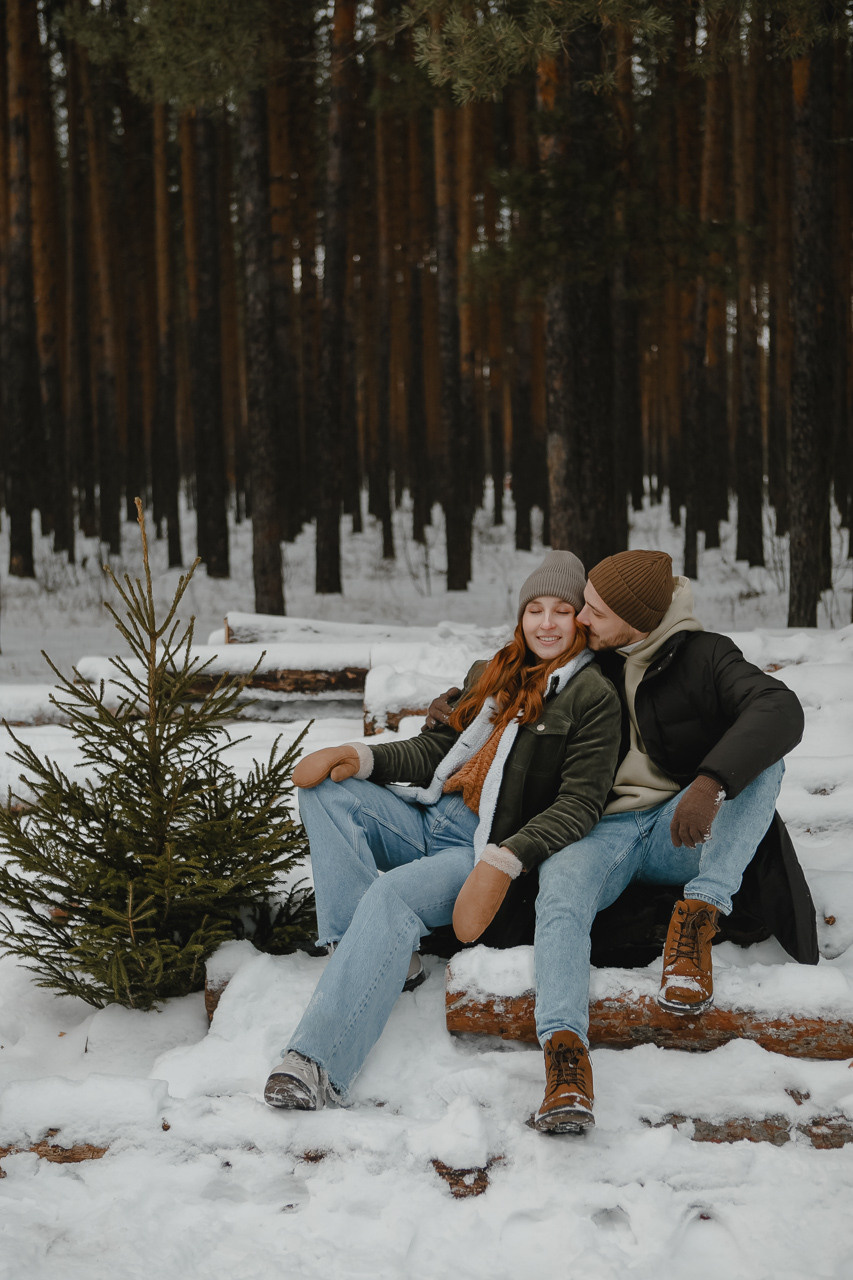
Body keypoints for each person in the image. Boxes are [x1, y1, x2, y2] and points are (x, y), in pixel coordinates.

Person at [425, 549, 818, 1134]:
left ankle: (699, 918)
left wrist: (710, 782)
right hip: (598, 828)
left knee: (764, 766)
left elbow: (778, 708)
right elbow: (519, 668)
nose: (580, 618)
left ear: (637, 621)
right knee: (561, 890)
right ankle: (565, 1061)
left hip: (675, 829)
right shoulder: (596, 657)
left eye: (594, 611)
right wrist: (453, 709)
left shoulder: (706, 656)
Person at [263, 550, 622, 1120]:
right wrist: (358, 757)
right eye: (535, 609)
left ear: (580, 618)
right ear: (520, 616)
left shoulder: (592, 696)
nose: (546, 623)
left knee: (392, 896)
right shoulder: (493, 672)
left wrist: (507, 858)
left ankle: (316, 1064)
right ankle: (372, 955)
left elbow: (581, 803)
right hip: (431, 816)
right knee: (327, 792)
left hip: (482, 849)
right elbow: (438, 749)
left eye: (561, 610)